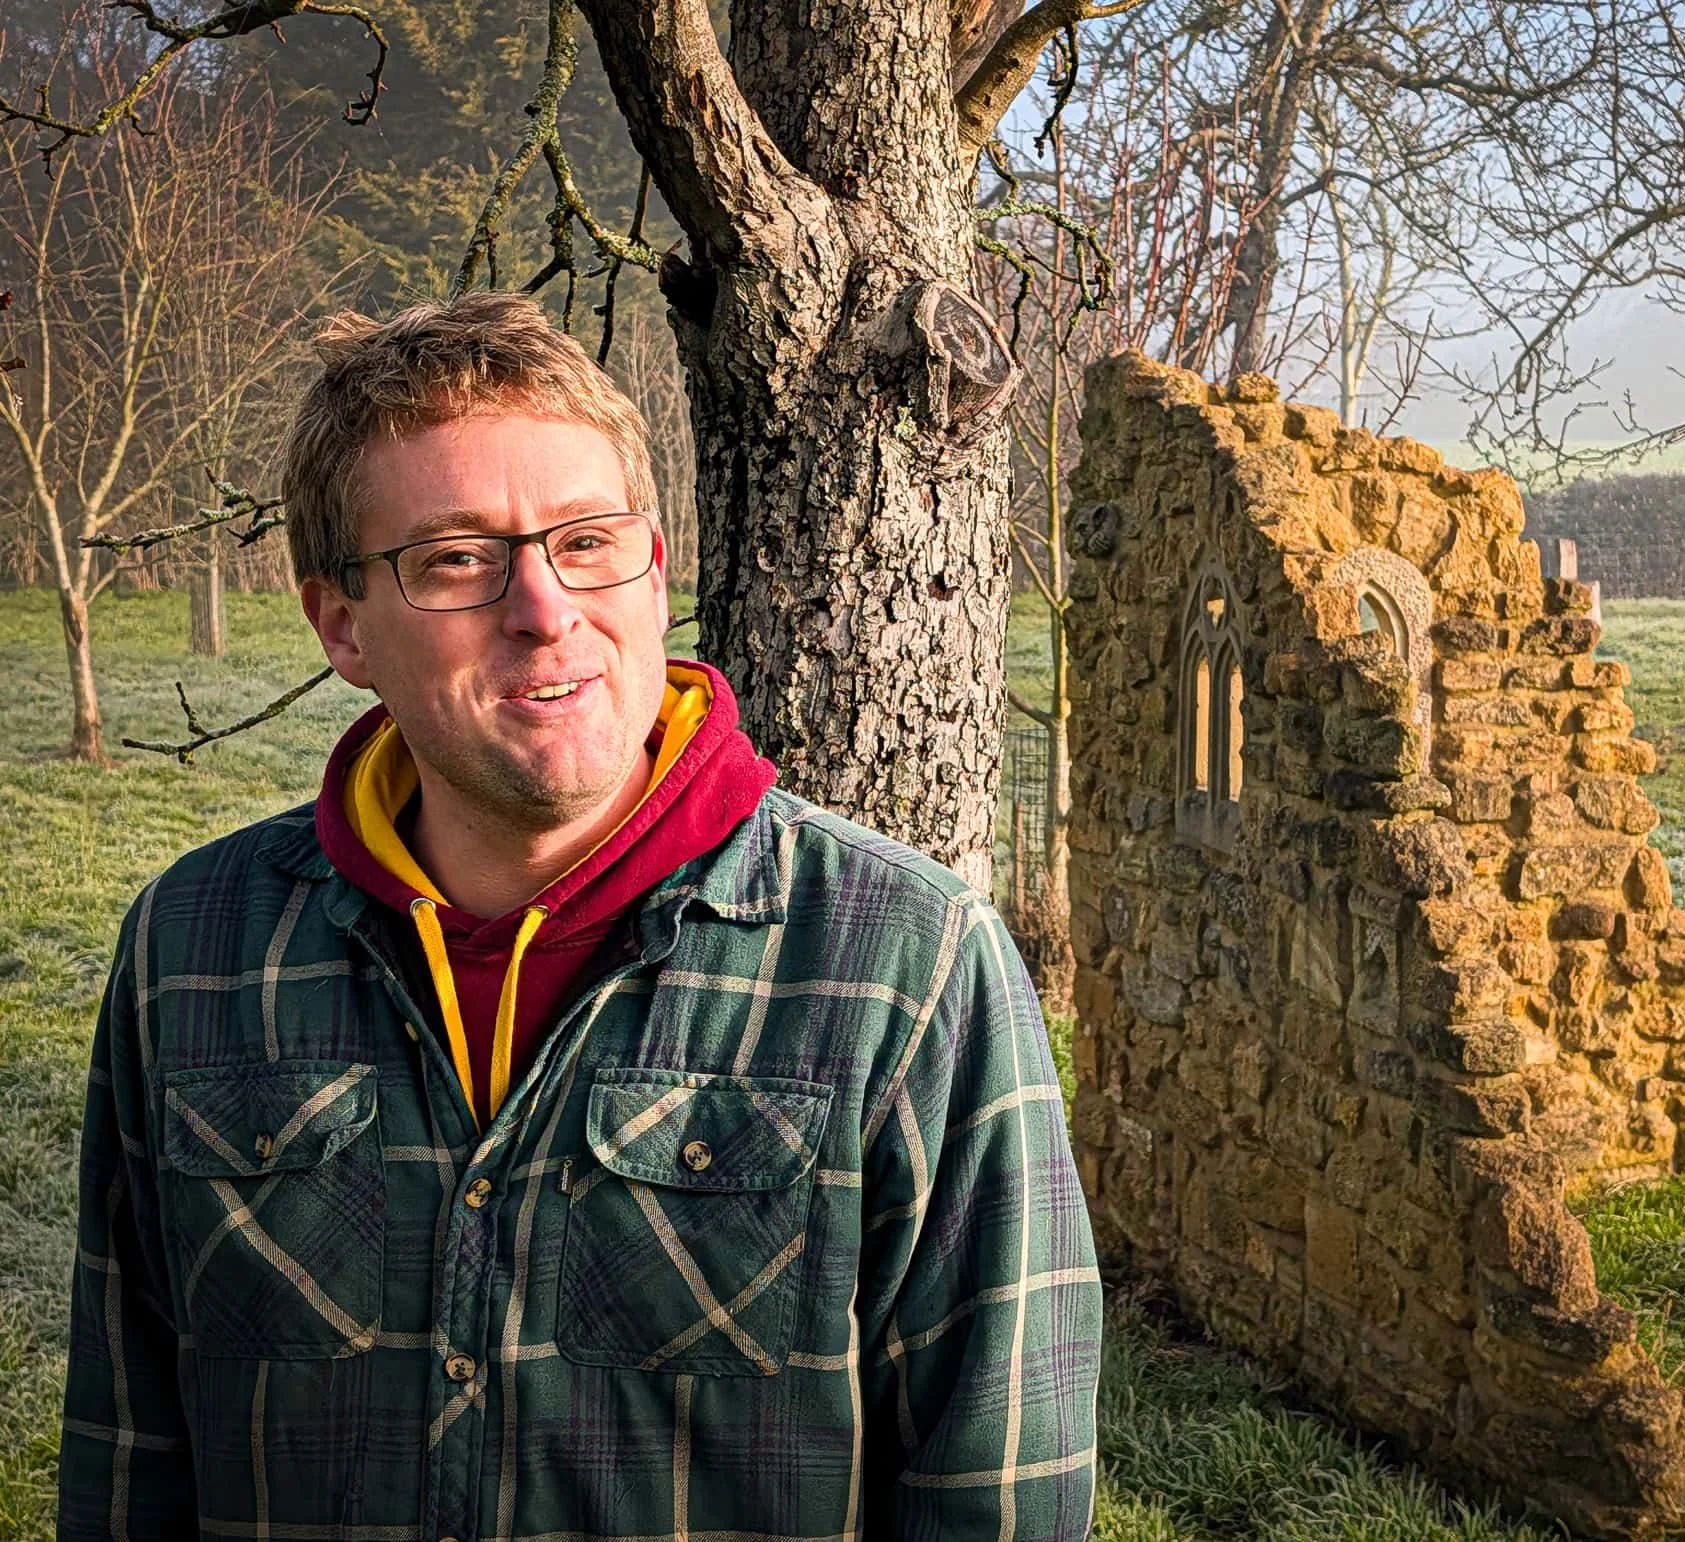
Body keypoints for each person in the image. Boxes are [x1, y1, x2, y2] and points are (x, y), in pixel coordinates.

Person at [58, 291, 1100, 1541]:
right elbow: (130, 1455)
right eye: (457, 560)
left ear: (654, 570)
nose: (544, 609)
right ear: (342, 625)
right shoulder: (192, 950)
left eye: (588, 542)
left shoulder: (910, 964)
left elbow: (996, 1496)